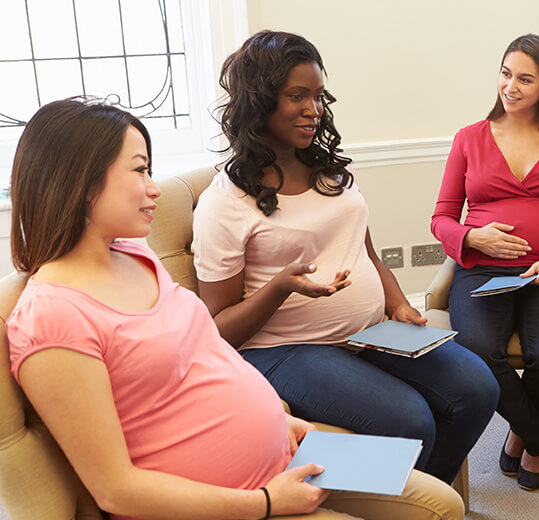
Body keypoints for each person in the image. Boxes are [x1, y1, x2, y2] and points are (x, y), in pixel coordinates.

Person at [6, 98, 464, 520]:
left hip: (284, 460)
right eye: (140, 171)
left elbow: (207, 349)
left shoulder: (132, 256)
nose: (154, 190)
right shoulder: (53, 316)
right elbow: (115, 490)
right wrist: (265, 503)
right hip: (233, 502)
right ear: (82, 183)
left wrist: (278, 418)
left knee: (443, 503)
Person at [191, 30, 498, 485]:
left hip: (369, 331)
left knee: (478, 387)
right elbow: (216, 331)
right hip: (283, 350)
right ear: (259, 101)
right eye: (297, 96)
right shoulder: (226, 203)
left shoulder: (333, 172)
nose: (313, 110)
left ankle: (427, 505)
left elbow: (366, 250)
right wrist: (280, 287)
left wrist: (397, 302)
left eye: (318, 96)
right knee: (409, 419)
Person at [430, 33, 539, 491]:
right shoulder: (469, 138)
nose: (510, 86)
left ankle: (523, 428)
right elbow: (441, 219)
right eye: (506, 74)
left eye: (525, 79)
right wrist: (474, 236)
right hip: (483, 270)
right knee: (475, 354)